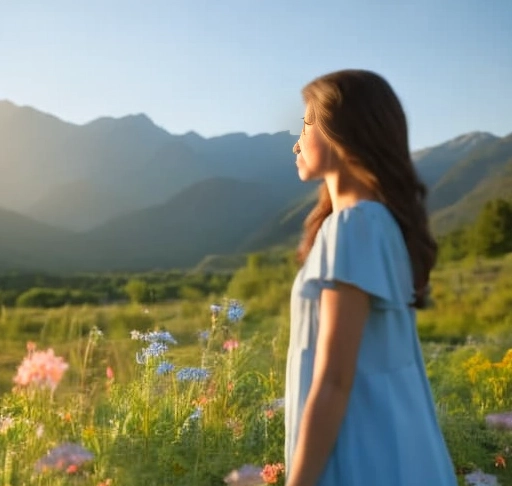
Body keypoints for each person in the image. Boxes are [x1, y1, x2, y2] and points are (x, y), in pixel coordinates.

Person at [285, 70, 458, 486]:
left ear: (341, 134)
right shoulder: (374, 224)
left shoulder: (355, 226)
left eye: (306, 124)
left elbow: (334, 381)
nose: (296, 141)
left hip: (364, 455)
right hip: (390, 447)